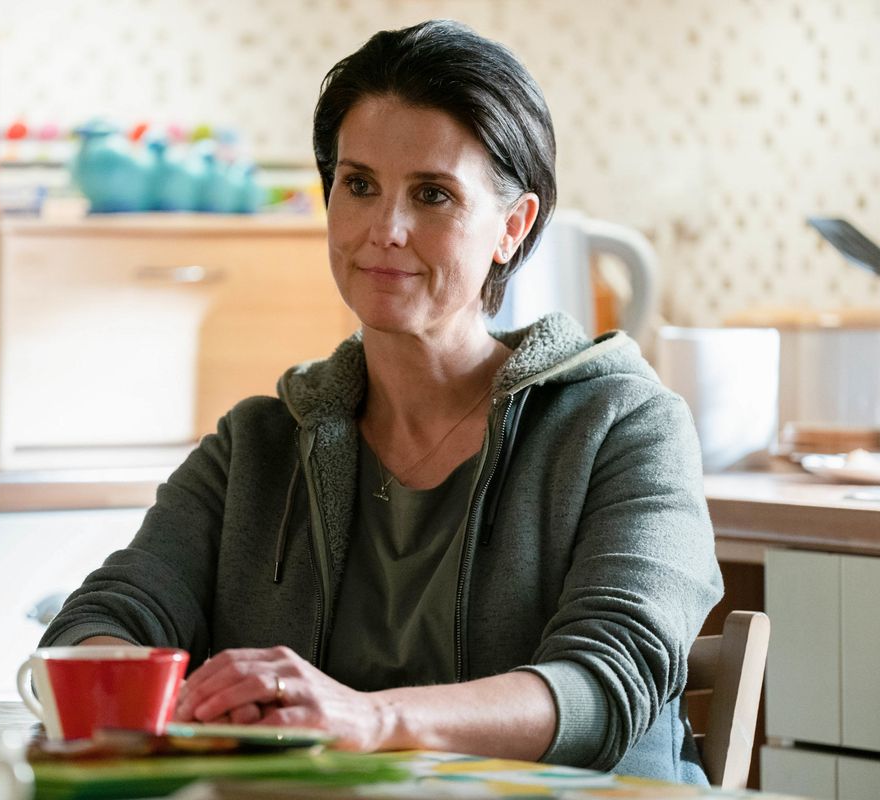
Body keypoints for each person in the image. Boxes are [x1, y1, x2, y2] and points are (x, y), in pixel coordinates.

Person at [40, 19, 723, 784]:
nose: (384, 230)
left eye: (432, 195)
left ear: (512, 226)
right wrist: (141, 694)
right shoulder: (259, 445)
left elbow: (606, 685)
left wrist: (372, 720)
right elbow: (101, 619)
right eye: (358, 184)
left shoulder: (628, 428)